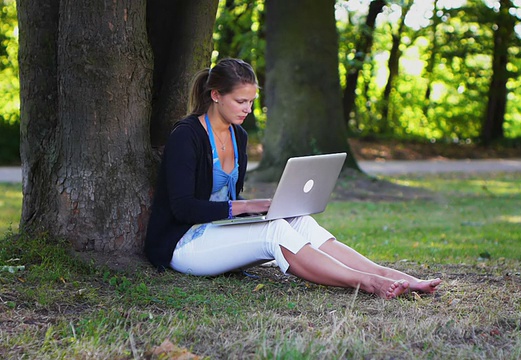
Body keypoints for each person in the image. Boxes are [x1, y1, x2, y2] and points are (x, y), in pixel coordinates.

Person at [144, 58, 441, 299]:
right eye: (241, 101)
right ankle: (367, 283)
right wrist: (246, 207)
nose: (248, 109)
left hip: (219, 231)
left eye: (251, 101)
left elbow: (226, 200)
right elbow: (183, 208)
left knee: (300, 222)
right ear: (216, 95)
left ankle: (392, 276)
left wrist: (259, 207)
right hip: (183, 243)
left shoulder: (239, 136)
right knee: (274, 231)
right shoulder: (187, 136)